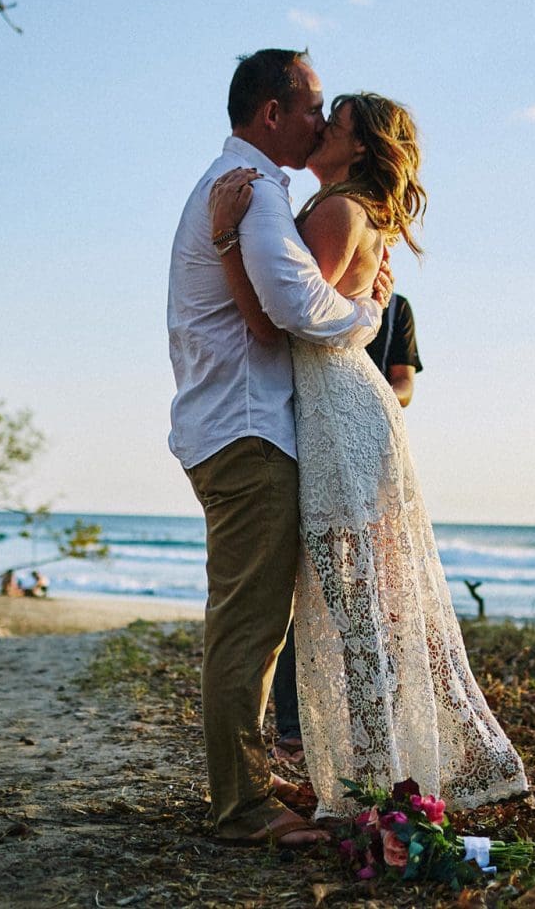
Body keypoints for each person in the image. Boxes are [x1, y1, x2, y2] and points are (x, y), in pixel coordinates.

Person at [210, 91, 529, 820]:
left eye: (337, 122)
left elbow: (286, 323)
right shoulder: (350, 211)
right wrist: (368, 308)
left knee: (354, 606)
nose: (322, 127)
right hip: (342, 407)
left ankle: (382, 780)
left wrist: (227, 241)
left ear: (358, 147)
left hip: (339, 412)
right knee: (365, 603)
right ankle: (388, 772)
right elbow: (325, 310)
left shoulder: (337, 211)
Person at [167, 49, 390, 847]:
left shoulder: (253, 191)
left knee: (258, 623)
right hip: (247, 429)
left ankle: (251, 784)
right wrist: (367, 314)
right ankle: (241, 807)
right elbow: (292, 310)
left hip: (238, 425)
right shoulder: (252, 193)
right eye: (312, 107)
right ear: (272, 113)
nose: (321, 122)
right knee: (249, 627)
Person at [269, 291, 424, 762]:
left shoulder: (395, 308)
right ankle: (294, 726)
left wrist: (363, 395)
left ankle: (372, 727)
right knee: (299, 589)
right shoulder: (303, 295)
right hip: (307, 441)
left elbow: (404, 383)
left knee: (370, 593)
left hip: (367, 447)